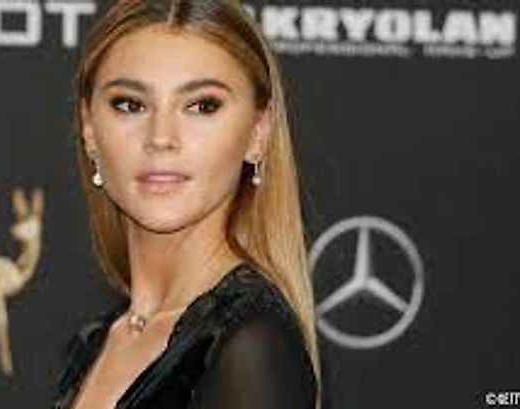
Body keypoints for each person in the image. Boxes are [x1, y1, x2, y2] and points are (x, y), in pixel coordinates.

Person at [51, 0, 321, 408]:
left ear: (258, 133)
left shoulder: (248, 342)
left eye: (202, 106)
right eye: (130, 104)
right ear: (89, 130)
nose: (161, 138)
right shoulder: (99, 340)